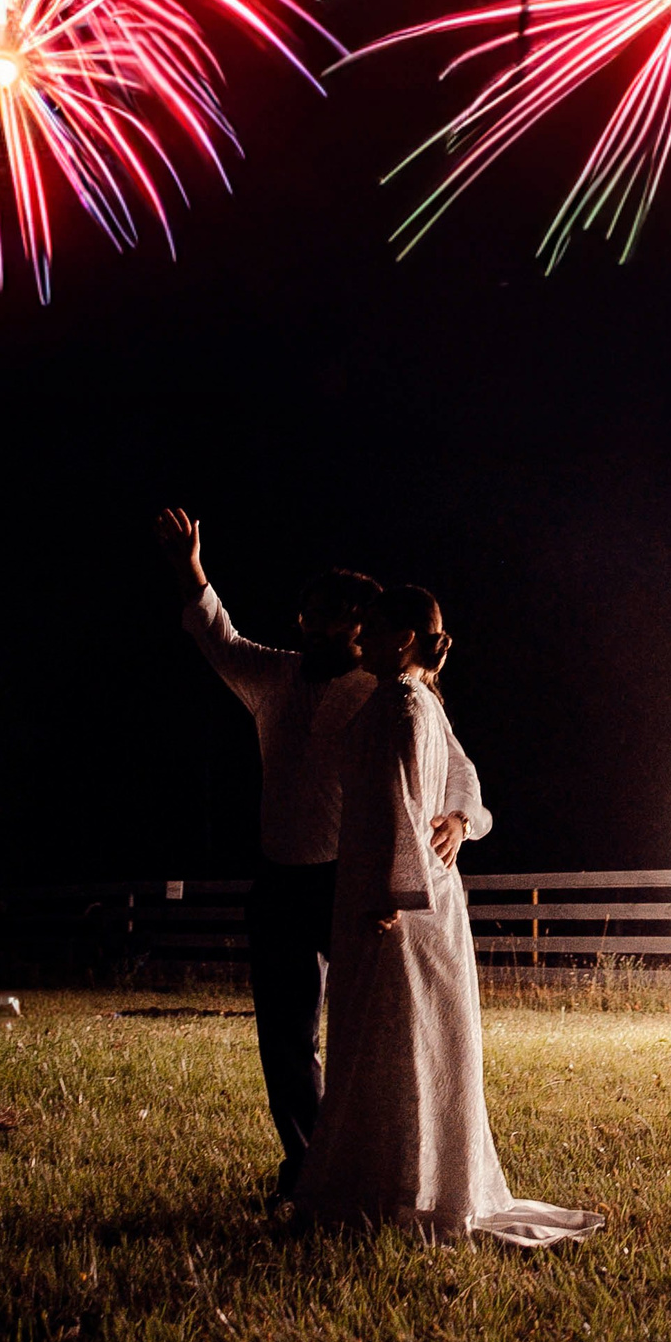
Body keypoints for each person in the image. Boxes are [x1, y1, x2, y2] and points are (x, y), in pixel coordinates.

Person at [294, 585, 603, 1247]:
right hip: (398, 898)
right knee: (384, 1041)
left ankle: (406, 1186)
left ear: (402, 638)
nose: (359, 639)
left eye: (372, 628)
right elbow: (436, 787)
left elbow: (403, 803)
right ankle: (388, 1177)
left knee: (401, 1040)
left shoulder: (407, 706)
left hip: (397, 908)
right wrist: (452, 826)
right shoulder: (404, 701)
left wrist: (400, 884)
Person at [154, 506, 381, 1192]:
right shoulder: (276, 678)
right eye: (306, 609)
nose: (308, 619)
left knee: (369, 1028)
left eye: (325, 611)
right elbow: (219, 637)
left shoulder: (378, 693)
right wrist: (191, 567)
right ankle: (308, 1161)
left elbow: (442, 764)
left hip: (351, 880)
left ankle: (372, 1157)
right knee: (285, 1035)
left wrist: (459, 818)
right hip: (280, 880)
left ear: (357, 625)